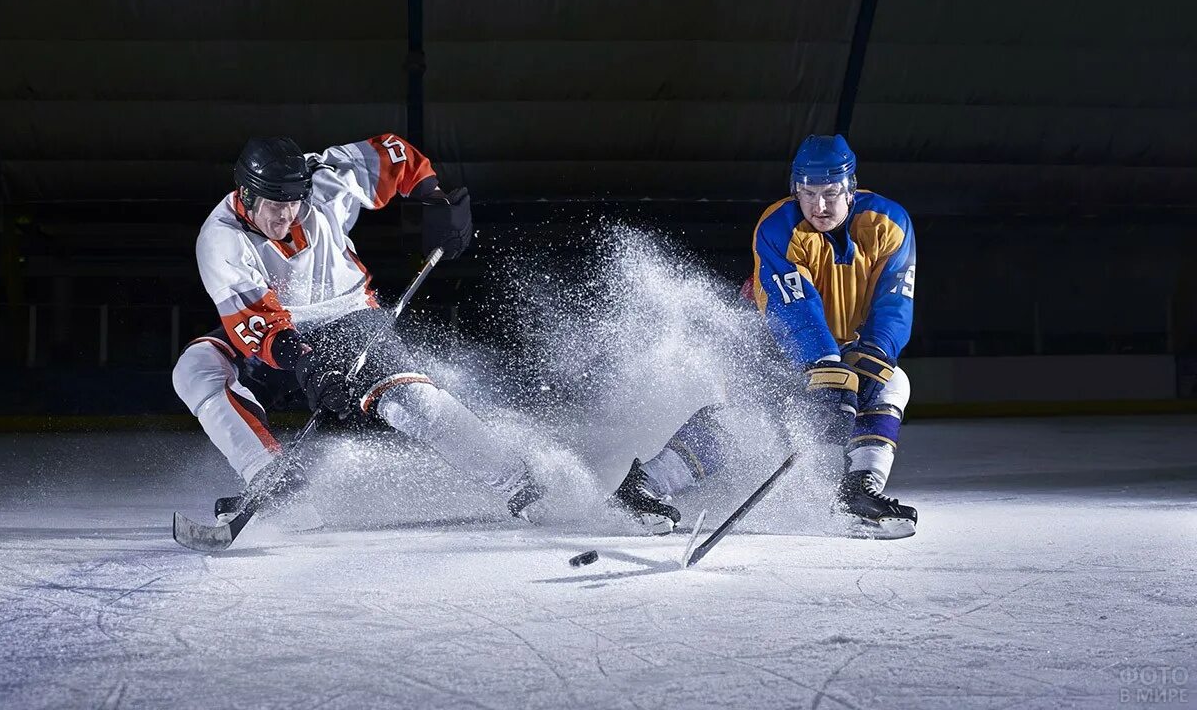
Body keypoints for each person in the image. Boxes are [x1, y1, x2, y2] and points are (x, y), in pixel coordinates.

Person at [171, 134, 545, 526]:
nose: (286, 216)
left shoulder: (324, 179)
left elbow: (394, 155)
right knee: (196, 368)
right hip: (280, 336)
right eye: (275, 206)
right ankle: (276, 482)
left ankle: (521, 483)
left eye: (294, 203)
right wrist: (310, 366)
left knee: (408, 401)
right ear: (246, 195)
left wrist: (435, 199)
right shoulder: (220, 240)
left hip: (348, 313)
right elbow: (258, 323)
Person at [610, 134, 918, 539]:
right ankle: (641, 486)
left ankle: (858, 491)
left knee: (891, 381)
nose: (819, 206)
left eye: (829, 193)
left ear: (851, 187)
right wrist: (827, 372)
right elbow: (796, 306)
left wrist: (872, 357)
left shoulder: (889, 223)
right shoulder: (777, 226)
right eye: (807, 193)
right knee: (749, 418)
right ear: (795, 189)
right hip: (767, 338)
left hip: (838, 346)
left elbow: (894, 300)